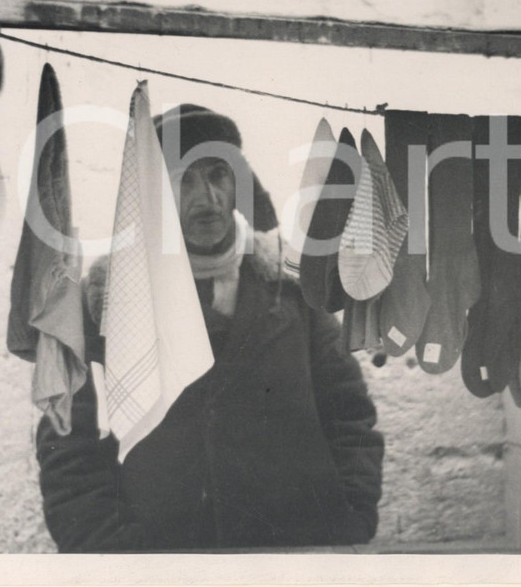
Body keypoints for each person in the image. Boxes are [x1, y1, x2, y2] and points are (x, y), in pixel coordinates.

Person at [36, 104, 385, 552]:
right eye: (185, 179)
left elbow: (349, 413)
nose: (207, 198)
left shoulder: (293, 288)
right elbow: (67, 439)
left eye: (218, 174)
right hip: (161, 559)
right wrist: (106, 549)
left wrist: (349, 516)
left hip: (291, 552)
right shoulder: (104, 302)